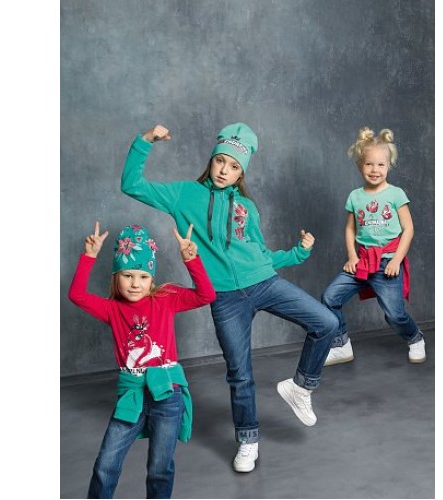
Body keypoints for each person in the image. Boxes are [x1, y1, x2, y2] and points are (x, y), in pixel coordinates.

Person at [120, 123, 342, 473]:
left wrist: (298, 253)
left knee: (326, 322)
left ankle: (301, 387)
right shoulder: (183, 195)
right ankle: (248, 438)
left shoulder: (246, 207)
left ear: (242, 172)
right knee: (240, 372)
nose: (225, 170)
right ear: (211, 160)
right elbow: (131, 184)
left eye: (234, 166)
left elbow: (261, 253)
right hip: (225, 299)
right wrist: (146, 141)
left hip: (264, 282)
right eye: (220, 161)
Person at [68, 221, 216, 498]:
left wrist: (191, 259)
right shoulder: (112, 309)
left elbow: (206, 295)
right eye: (127, 275)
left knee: (160, 468)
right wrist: (89, 256)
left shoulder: (166, 298)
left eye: (143, 277)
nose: (135, 284)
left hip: (167, 394)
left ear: (152, 279)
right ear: (116, 277)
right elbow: (76, 295)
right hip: (132, 395)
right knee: (105, 464)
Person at [321, 126, 426, 367]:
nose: (375, 170)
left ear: (388, 165)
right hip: (362, 262)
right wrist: (352, 256)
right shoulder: (355, 196)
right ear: (360, 165)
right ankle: (341, 345)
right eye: (369, 164)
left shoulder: (396, 194)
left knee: (394, 315)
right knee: (330, 297)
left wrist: (396, 260)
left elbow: (408, 229)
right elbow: (350, 229)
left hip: (387, 261)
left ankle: (415, 338)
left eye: (381, 164)